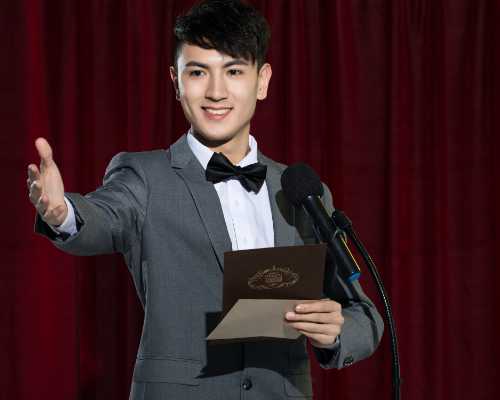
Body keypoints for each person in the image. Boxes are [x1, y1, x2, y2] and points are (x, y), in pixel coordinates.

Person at [27, 0, 384, 399]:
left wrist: (336, 331)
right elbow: (102, 216)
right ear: (175, 81)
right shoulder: (144, 176)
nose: (215, 92)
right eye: (198, 72)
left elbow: (365, 315)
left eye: (234, 71)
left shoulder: (301, 190)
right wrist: (62, 212)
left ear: (262, 81)